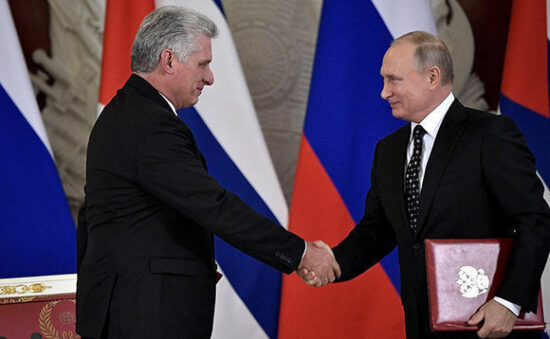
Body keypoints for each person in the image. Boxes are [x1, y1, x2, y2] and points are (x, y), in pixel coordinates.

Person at [76, 6, 339, 338]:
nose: (209, 77)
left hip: (132, 308)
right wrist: (299, 252)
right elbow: (213, 206)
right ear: (169, 60)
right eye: (203, 64)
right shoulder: (150, 124)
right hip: (146, 314)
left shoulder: (126, 114)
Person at [299, 31, 550, 338]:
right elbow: (377, 230)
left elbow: (534, 219)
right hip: (422, 326)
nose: (384, 92)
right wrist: (333, 262)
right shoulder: (388, 150)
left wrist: (510, 302)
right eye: (383, 80)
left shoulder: (490, 135)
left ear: (433, 77)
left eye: (394, 80)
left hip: (490, 326)